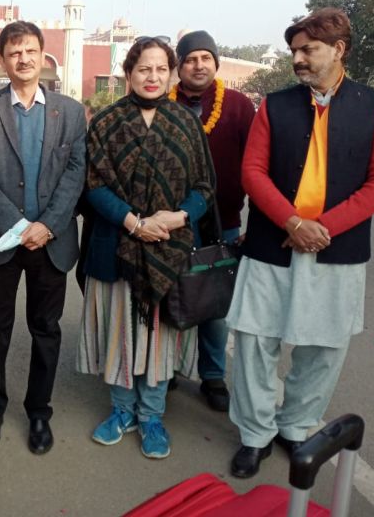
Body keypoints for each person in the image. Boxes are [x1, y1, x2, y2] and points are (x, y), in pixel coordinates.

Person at [228, 8, 374, 478]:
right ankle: (254, 434)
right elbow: (252, 172)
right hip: (271, 244)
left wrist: (323, 227)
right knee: (255, 343)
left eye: (308, 50)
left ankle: (296, 425)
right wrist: (291, 221)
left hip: (336, 249)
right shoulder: (276, 105)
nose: (298, 59)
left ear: (339, 49)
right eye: (294, 51)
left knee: (323, 349)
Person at [76, 37, 215, 459]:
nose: (152, 77)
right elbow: (93, 184)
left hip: (169, 248)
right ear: (128, 75)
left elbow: (204, 185)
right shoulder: (106, 122)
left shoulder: (185, 123)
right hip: (116, 245)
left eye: (160, 69)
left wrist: (179, 217)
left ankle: (152, 415)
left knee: (159, 338)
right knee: (120, 334)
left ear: (171, 75)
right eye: (143, 69)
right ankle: (121, 411)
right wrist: (133, 222)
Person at [0, 21, 86, 455]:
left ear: (43, 55)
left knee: (45, 329)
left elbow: (75, 174)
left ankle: (39, 412)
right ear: (2, 60)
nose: (23, 58)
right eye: (14, 52)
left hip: (51, 241)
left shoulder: (70, 112)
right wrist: (18, 228)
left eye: (30, 50)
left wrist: (46, 225)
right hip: (2, 242)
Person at [170, 31, 256, 411]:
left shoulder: (237, 106)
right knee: (171, 296)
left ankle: (212, 375)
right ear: (180, 66)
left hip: (224, 222)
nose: (198, 65)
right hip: (171, 222)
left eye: (206, 57)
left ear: (216, 63)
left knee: (215, 303)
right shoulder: (164, 102)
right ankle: (166, 367)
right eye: (190, 59)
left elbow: (256, 165)